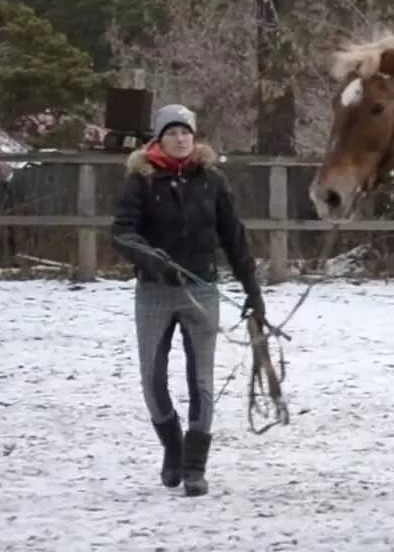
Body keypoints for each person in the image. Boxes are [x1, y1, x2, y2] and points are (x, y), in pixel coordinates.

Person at [110, 103, 267, 496]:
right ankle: (173, 449)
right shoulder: (140, 181)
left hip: (202, 290)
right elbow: (122, 232)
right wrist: (149, 256)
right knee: (153, 379)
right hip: (154, 291)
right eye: (172, 132)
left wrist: (253, 291)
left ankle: (195, 468)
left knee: (202, 380)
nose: (181, 139)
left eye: (186, 132)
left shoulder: (212, 181)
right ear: (159, 139)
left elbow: (234, 237)